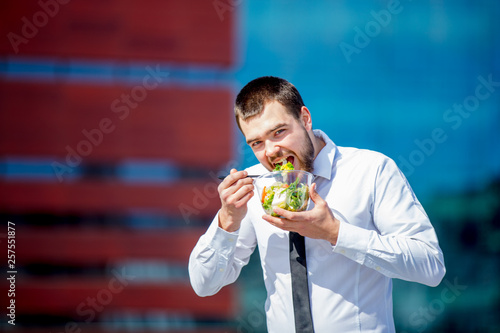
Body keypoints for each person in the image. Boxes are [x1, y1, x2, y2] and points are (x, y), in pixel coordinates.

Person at [188, 76, 446, 332]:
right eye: (256, 142)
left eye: (278, 132)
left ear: (305, 119)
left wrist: (335, 233)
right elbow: (204, 283)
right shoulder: (254, 186)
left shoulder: (371, 170)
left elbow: (430, 266)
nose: (270, 151)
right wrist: (227, 221)